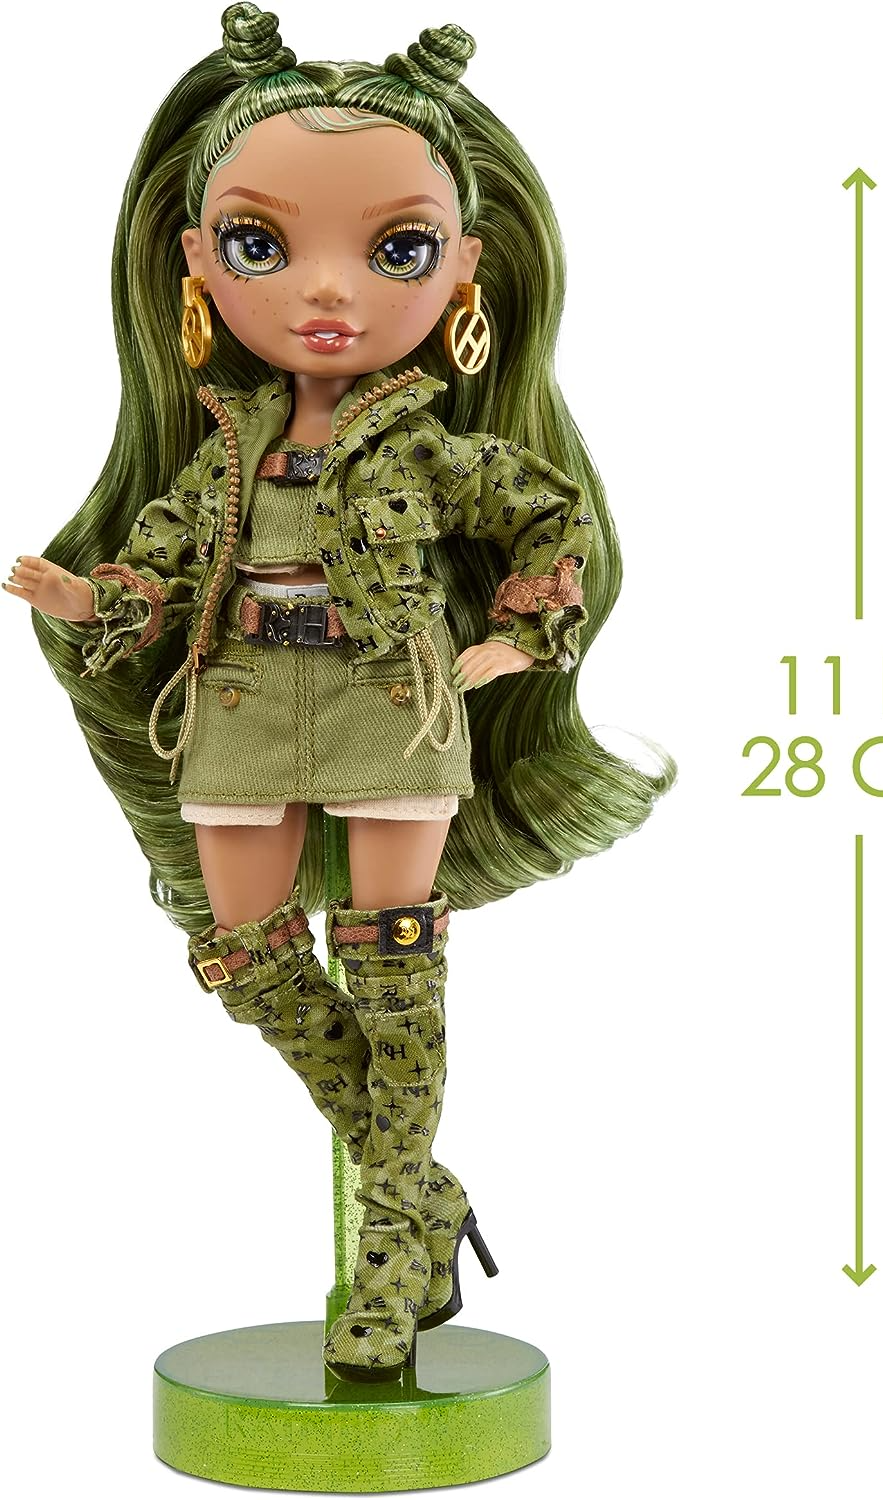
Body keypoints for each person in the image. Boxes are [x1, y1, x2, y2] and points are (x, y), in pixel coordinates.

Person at [4, 4, 674, 1381]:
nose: (327, 292)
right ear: (197, 263)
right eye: (261, 244)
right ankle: (422, 1189)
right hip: (242, 699)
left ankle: (385, 1263)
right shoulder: (225, 450)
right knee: (243, 955)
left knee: (393, 964)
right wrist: (91, 602)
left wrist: (519, 637)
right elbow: (162, 560)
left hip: (390, 698)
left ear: (466, 268)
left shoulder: (431, 450)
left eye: (397, 250)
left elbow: (554, 521)